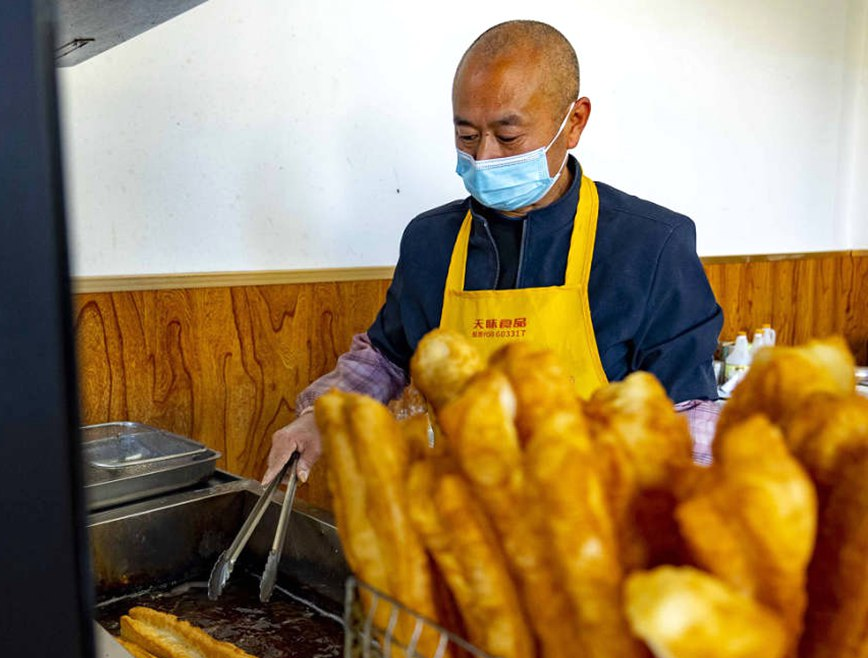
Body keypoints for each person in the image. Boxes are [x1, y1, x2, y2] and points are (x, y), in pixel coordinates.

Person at [264, 20, 723, 483]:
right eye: (466, 136)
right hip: (465, 526)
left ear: (574, 122)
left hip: (596, 532)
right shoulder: (431, 241)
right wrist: (319, 418)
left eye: (508, 137)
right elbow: (385, 358)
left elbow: (687, 415)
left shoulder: (650, 245)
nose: (483, 157)